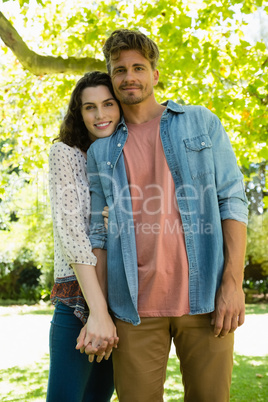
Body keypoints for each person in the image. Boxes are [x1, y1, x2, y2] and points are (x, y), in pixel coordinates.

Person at [77, 29, 248, 401]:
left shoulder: (201, 122)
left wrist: (232, 285)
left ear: (155, 74)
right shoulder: (101, 153)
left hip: (205, 303)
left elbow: (232, 201)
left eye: (139, 67)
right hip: (133, 310)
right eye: (119, 70)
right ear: (111, 77)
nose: (129, 76)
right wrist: (100, 311)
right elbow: (98, 236)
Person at [46, 71, 120, 402]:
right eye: (90, 107)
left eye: (108, 104)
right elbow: (71, 231)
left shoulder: (123, 153)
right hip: (78, 295)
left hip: (122, 294)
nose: (100, 115)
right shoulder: (66, 152)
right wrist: (98, 312)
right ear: (79, 112)